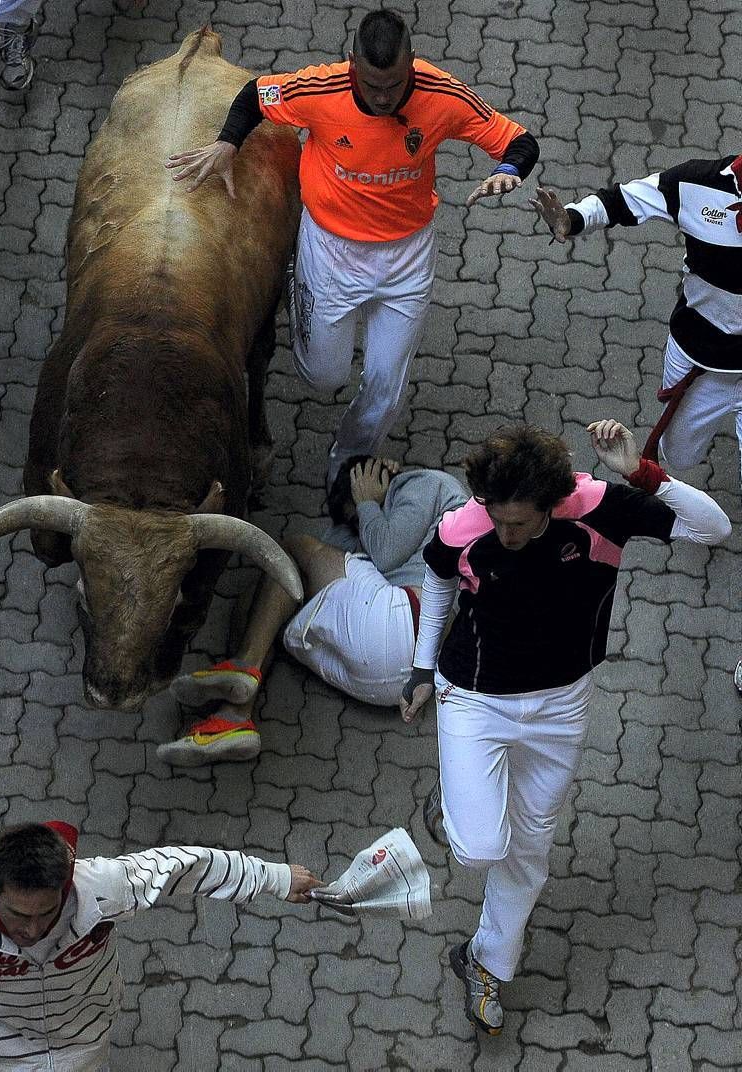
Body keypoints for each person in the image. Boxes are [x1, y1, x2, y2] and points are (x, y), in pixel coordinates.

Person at [399, 419, 731, 1036]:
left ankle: (487, 964)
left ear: (552, 504)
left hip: (561, 707)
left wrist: (641, 472)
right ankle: (455, 804)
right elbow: (439, 578)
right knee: (479, 848)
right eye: (496, 518)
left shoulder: (600, 509)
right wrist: (421, 666)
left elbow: (714, 529)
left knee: (529, 850)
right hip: (475, 698)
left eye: (519, 523)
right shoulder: (465, 527)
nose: (505, 532)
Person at [166, 9, 539, 483]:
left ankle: (349, 461)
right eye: (371, 86)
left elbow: (519, 141)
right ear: (350, 65)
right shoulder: (319, 90)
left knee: (386, 384)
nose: (383, 98)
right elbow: (254, 95)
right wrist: (227, 144)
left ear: (411, 65)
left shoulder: (442, 93)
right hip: (331, 250)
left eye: (396, 85)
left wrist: (508, 173)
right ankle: (297, 288)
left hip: (408, 257)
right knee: (323, 375)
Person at [530, 157, 742, 693]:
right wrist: (572, 221)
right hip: (700, 362)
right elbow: (628, 200)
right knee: (681, 456)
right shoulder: (696, 184)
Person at [158, 458, 468, 766]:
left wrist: (366, 503)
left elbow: (385, 553)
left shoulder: (425, 485)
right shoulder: (378, 533)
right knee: (268, 604)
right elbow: (337, 556)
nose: (363, 525)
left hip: (403, 624)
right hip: (394, 685)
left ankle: (243, 671)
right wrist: (360, 514)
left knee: (290, 550)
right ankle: (233, 717)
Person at [0, 821, 320, 1071]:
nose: (33, 928)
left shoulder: (106, 888)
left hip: (84, 1050)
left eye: (48, 911)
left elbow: (186, 866)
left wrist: (274, 878)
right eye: (18, 915)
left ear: (66, 885)